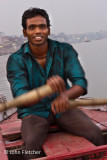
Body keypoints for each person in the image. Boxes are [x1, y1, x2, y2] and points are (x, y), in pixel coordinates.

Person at [6, 8, 103, 159]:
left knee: (95, 133)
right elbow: (20, 96)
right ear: (25, 32)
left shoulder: (64, 50)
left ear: (48, 30)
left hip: (64, 108)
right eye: (32, 27)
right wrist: (45, 90)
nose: (38, 31)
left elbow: (80, 83)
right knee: (30, 146)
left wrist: (65, 95)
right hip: (34, 112)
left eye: (42, 26)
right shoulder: (16, 60)